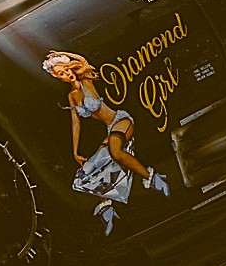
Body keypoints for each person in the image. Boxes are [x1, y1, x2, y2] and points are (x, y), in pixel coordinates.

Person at [43, 50, 168, 207]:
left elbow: (83, 61)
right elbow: (75, 123)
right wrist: (75, 152)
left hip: (121, 120)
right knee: (87, 170)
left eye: (66, 69)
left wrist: (62, 54)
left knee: (115, 152)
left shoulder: (85, 80)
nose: (67, 74)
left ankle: (153, 178)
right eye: (61, 73)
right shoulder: (72, 96)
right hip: (111, 129)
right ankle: (106, 205)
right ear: (58, 77)